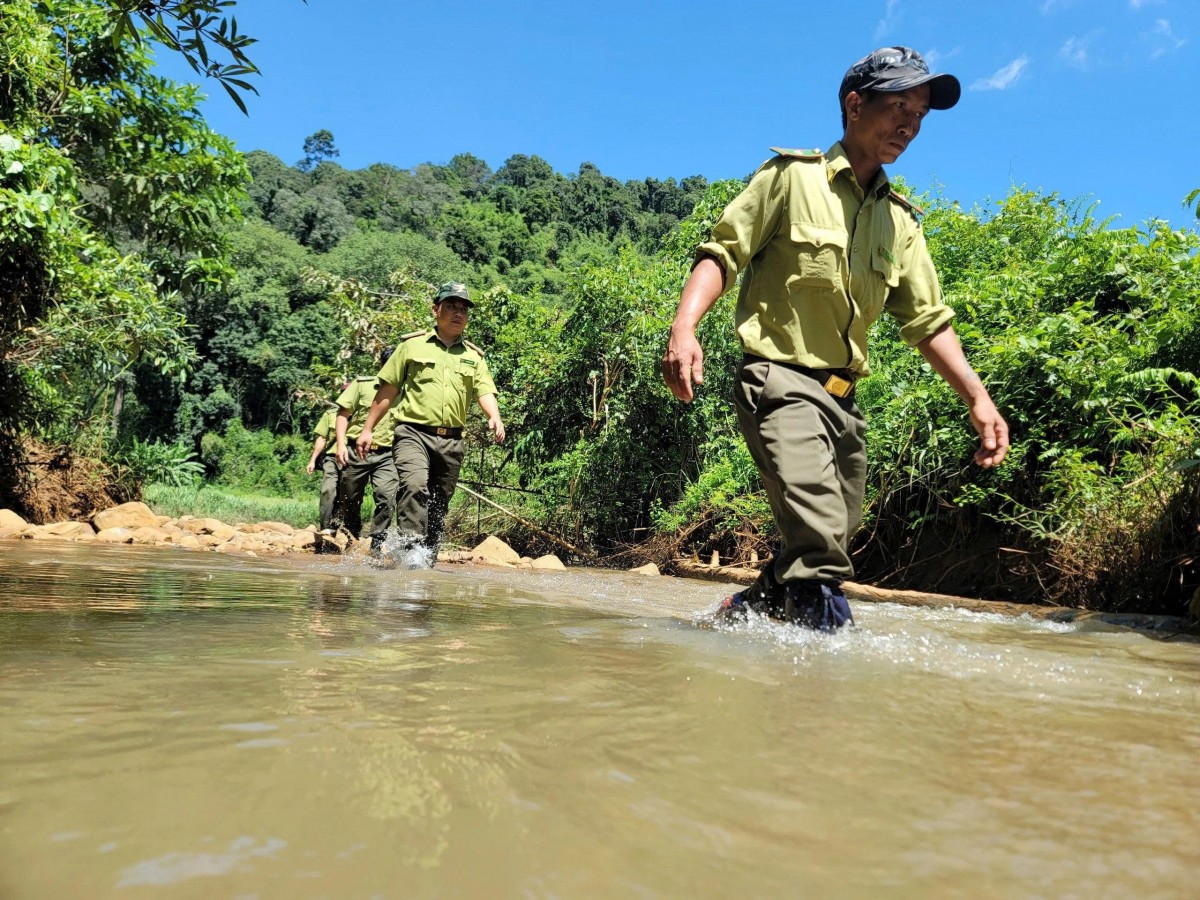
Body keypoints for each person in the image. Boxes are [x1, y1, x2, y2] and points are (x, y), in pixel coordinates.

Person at [661, 46, 1009, 631]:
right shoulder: (790, 180)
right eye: (899, 106)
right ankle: (830, 672)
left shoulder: (899, 221)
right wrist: (685, 325)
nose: (910, 125)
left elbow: (928, 321)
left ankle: (740, 614)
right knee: (822, 536)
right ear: (854, 104)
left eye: (920, 115)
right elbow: (723, 253)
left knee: (832, 534)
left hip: (843, 404)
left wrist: (978, 397)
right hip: (780, 382)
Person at [355, 281, 506, 563]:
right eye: (451, 306)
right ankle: (411, 551)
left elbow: (485, 390)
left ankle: (428, 558)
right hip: (413, 432)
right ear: (436, 309)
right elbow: (388, 389)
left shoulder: (474, 356)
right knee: (414, 485)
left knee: (438, 502)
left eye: (463, 309)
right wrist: (367, 429)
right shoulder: (411, 346)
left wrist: (493, 416)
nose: (458, 313)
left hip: (452, 441)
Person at [334, 356, 401, 553]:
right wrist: (340, 444)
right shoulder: (362, 385)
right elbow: (343, 415)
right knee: (349, 498)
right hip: (356, 452)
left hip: (387, 454)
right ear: (383, 365)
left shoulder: (407, 392)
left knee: (387, 499)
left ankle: (377, 542)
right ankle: (352, 537)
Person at [305, 403, 342, 534]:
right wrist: (312, 460)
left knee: (348, 494)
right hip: (332, 457)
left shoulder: (364, 414)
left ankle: (344, 528)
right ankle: (325, 526)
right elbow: (322, 438)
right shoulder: (330, 414)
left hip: (353, 459)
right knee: (328, 489)